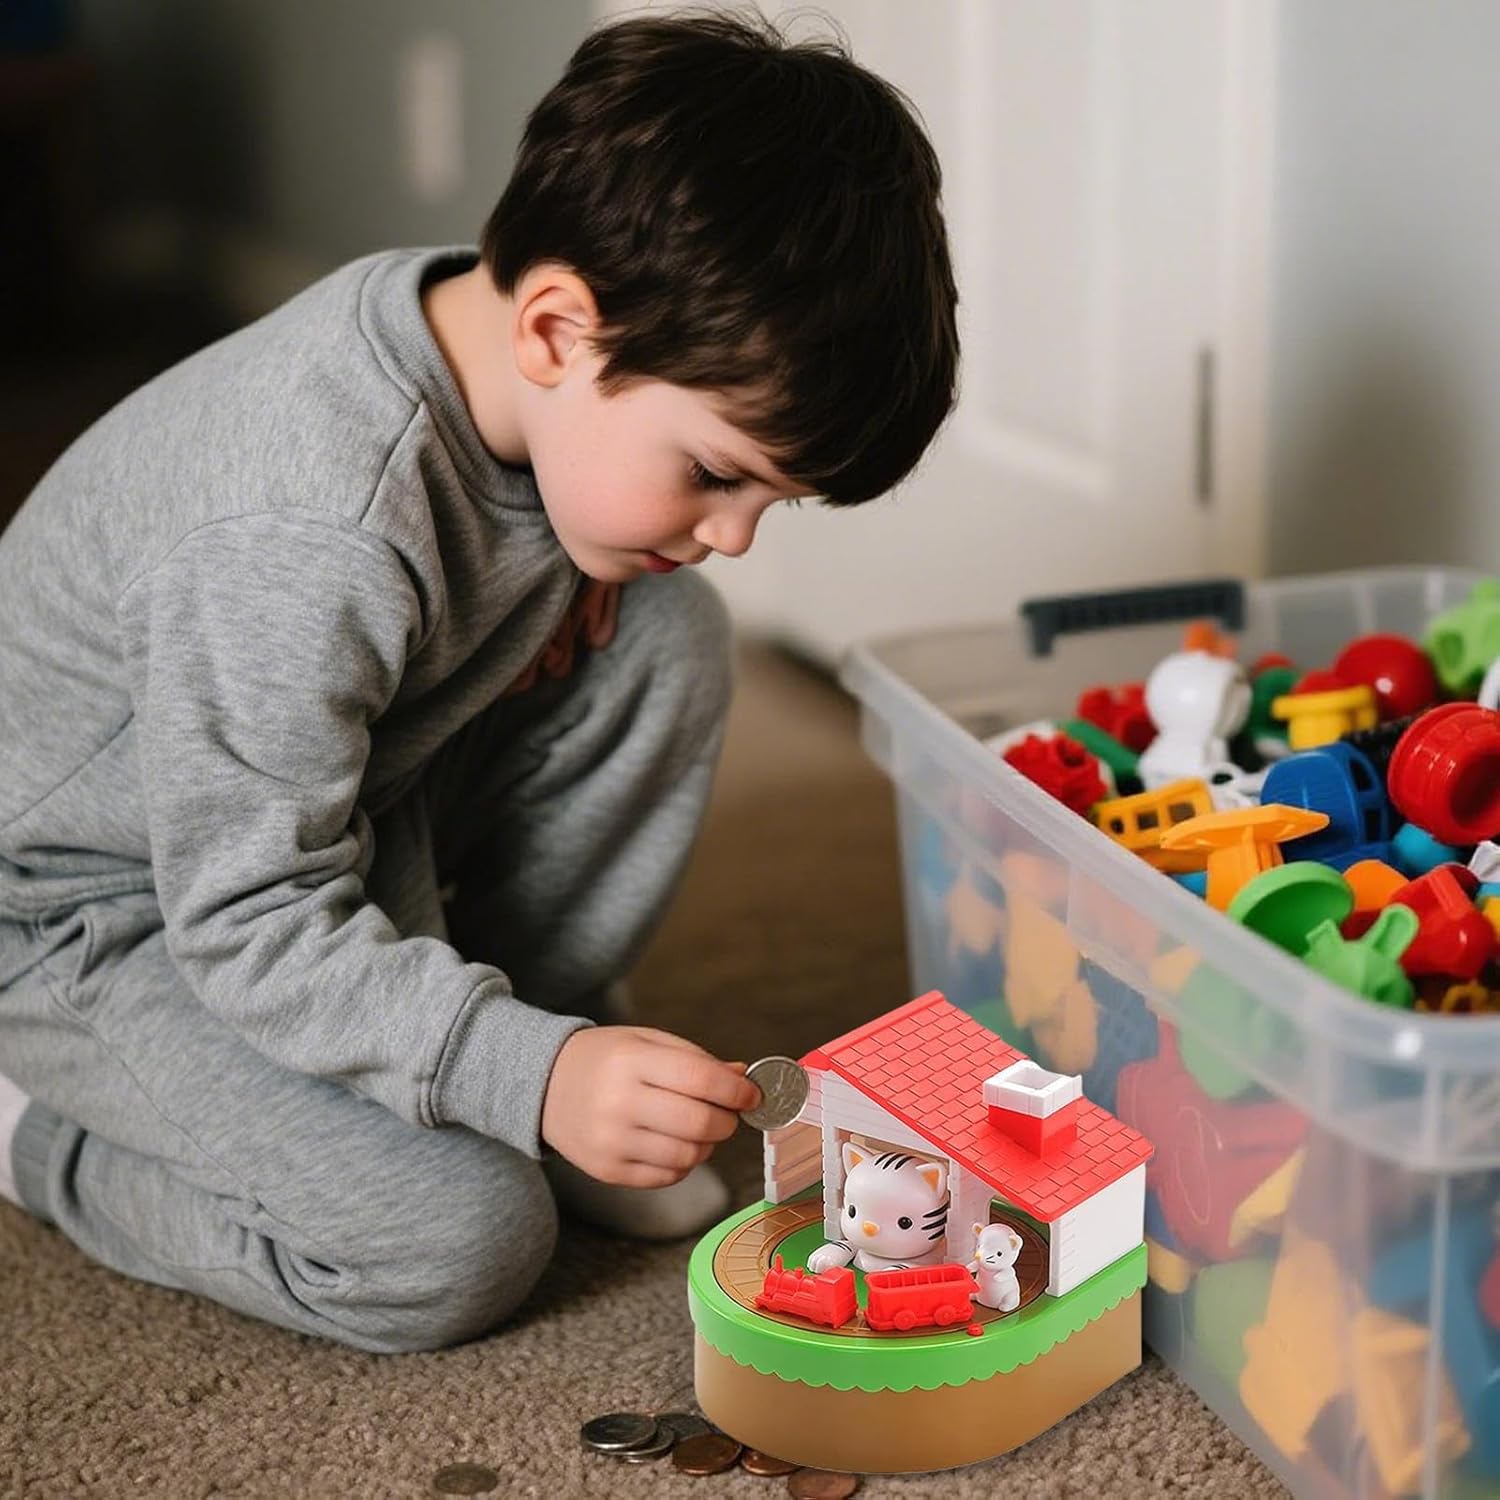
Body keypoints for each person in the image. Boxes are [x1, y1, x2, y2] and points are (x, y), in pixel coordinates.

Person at [0, 10, 958, 1352]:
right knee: (452, 1241)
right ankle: (34, 1132)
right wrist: (525, 1076)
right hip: (100, 913)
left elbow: (524, 527)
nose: (733, 535)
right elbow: (244, 914)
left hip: (340, 803)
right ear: (556, 330)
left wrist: (582, 558)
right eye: (713, 474)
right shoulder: (306, 530)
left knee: (667, 628)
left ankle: (527, 1046)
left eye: (770, 500)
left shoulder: (496, 336)